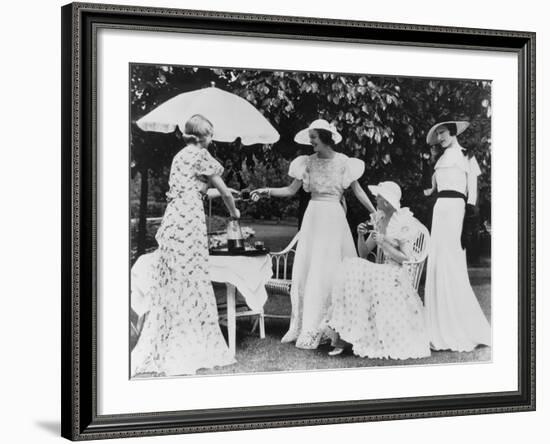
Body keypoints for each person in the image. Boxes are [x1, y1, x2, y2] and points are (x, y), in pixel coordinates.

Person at [251, 119, 375, 349]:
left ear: (326, 138)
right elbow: (290, 190)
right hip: (314, 218)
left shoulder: (344, 163)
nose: (311, 143)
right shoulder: (306, 163)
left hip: (334, 219)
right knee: (312, 270)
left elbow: (358, 192)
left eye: (314, 139)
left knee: (332, 270)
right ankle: (308, 326)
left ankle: (335, 327)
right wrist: (266, 190)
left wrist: (375, 212)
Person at [131, 114, 239, 377]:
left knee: (176, 280)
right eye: (211, 134)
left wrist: (223, 192)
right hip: (190, 220)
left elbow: (195, 189)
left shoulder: (179, 156)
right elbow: (222, 191)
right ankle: (190, 342)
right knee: (193, 277)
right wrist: (233, 211)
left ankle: (172, 338)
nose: (212, 139)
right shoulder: (202, 155)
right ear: (204, 136)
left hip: (173, 218)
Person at [324, 181, 431, 359]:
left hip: (396, 272)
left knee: (360, 273)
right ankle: (344, 336)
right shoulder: (379, 219)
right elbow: (363, 252)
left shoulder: (402, 223)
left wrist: (384, 243)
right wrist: (360, 235)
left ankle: (350, 338)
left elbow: (406, 258)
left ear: (387, 202)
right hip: (382, 271)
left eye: (379, 197)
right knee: (352, 266)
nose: (376, 199)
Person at [422, 120, 491, 352]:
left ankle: (461, 324)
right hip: (440, 210)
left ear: (452, 132)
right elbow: (431, 188)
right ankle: (437, 325)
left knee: (452, 262)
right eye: (438, 134)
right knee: (439, 261)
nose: (440, 137)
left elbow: (472, 189)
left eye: (443, 133)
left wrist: (470, 217)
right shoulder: (439, 160)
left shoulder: (467, 156)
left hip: (456, 211)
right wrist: (428, 182)